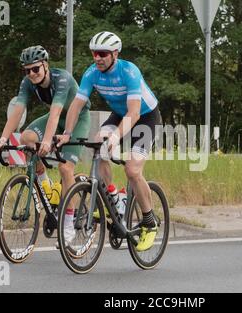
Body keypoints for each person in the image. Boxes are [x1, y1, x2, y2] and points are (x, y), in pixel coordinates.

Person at [58, 31, 162, 252]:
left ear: (115, 53)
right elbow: (76, 105)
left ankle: (149, 221)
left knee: (133, 171)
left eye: (103, 54)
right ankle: (115, 197)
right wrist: (67, 132)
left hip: (145, 117)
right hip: (119, 114)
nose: (97, 58)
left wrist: (116, 136)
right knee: (99, 145)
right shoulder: (92, 73)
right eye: (94, 53)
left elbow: (134, 113)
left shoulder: (129, 71)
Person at [0, 45, 91, 242]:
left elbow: (55, 113)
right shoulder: (27, 83)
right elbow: (17, 111)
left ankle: (69, 221)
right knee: (26, 139)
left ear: (45, 65)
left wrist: (46, 141)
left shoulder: (62, 79)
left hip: (76, 120)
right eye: (27, 70)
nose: (32, 74)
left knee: (65, 169)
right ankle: (47, 187)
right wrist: (2, 139)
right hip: (56, 118)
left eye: (35, 69)